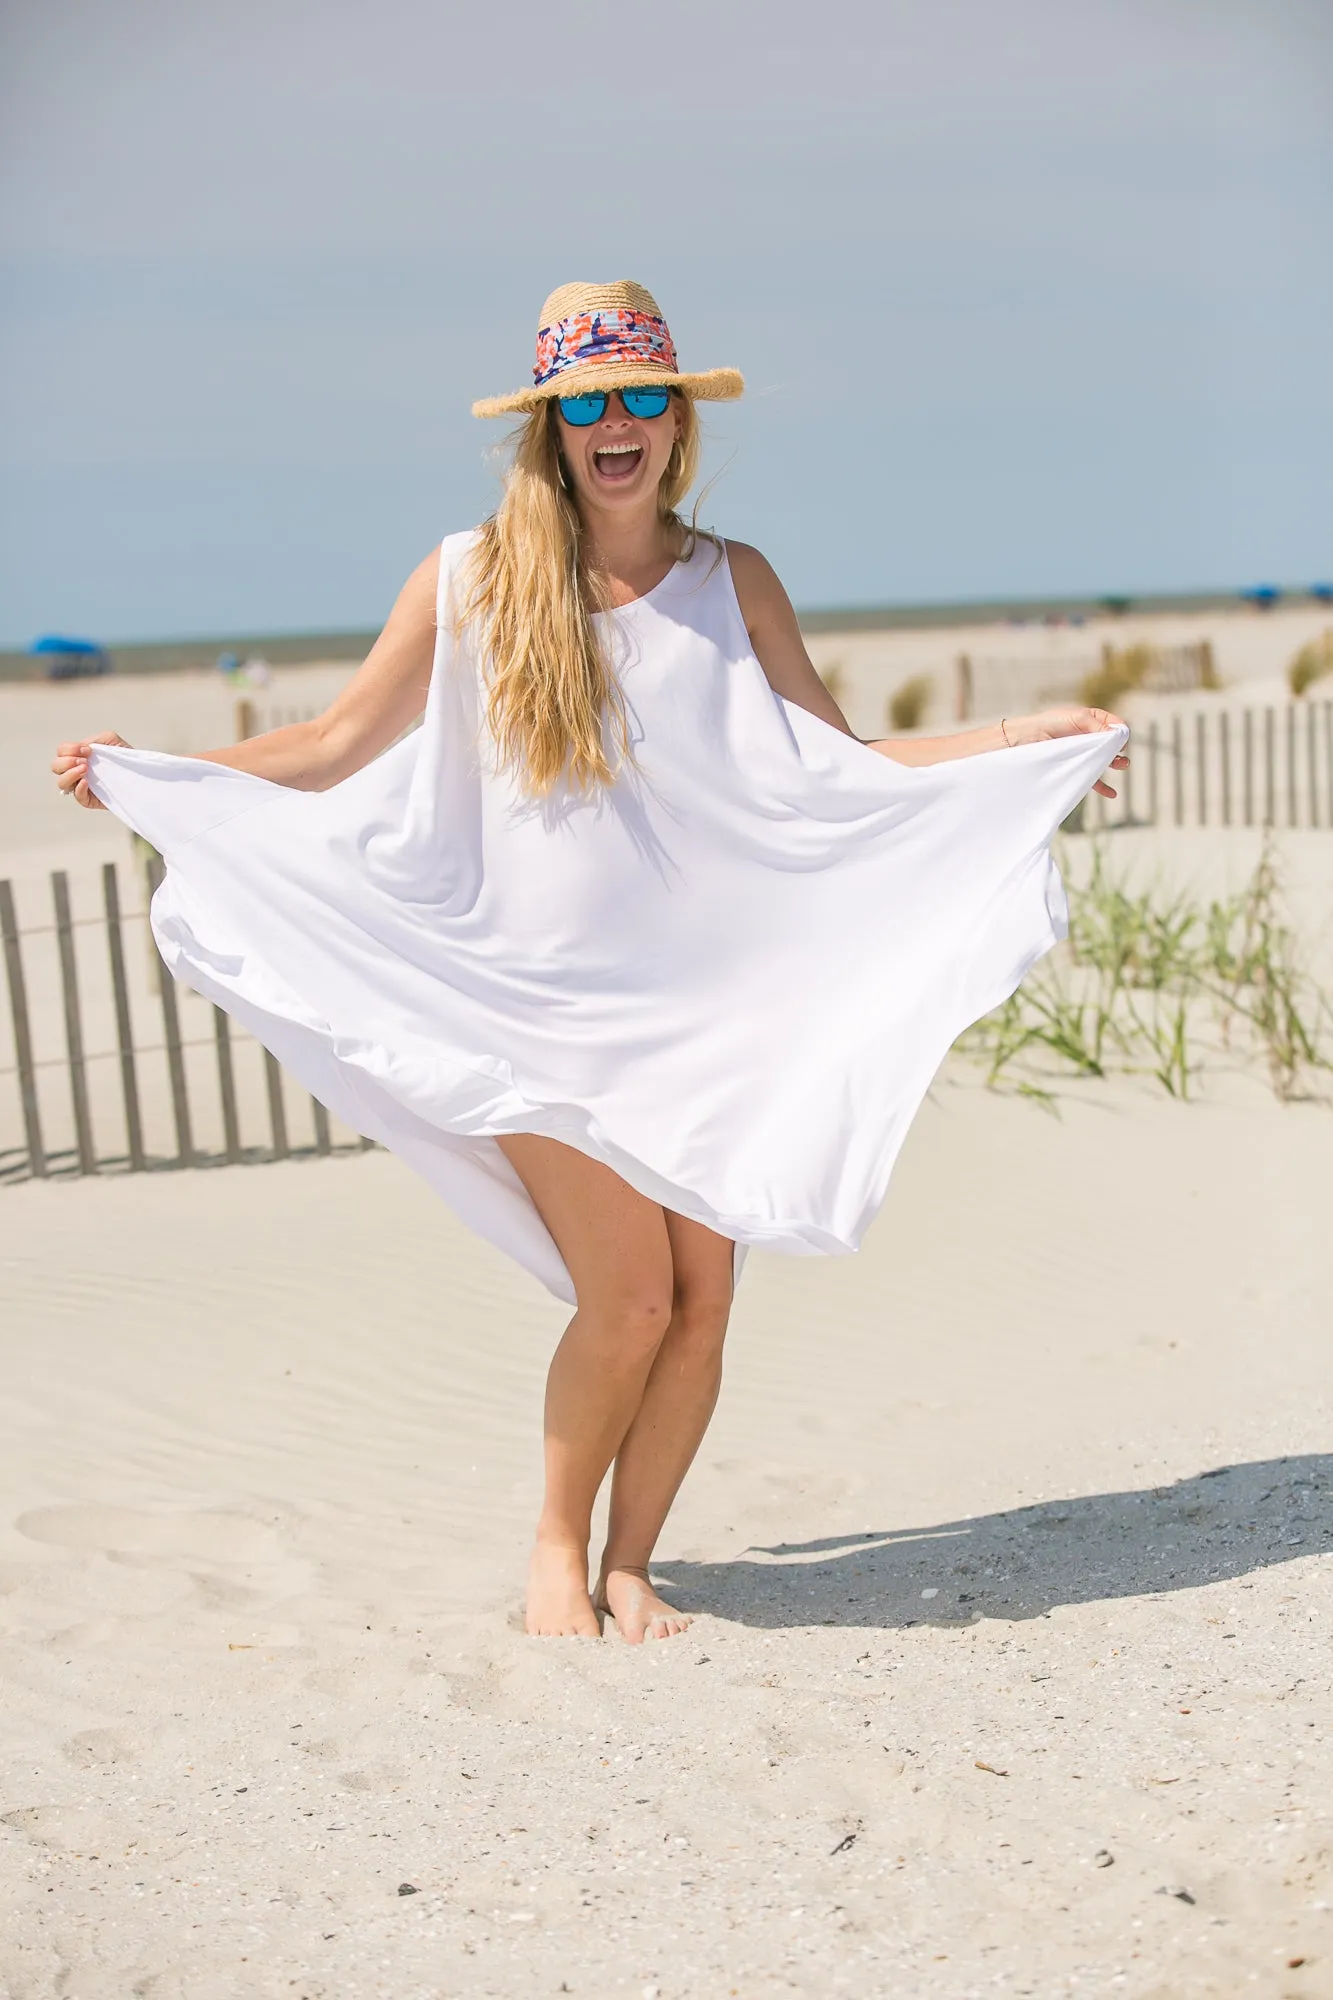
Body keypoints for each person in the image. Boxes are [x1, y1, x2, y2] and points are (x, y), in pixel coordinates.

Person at [52, 279, 1128, 1644]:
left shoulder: (733, 583)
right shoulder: (471, 580)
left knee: (702, 1307)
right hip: (530, 1006)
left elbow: (842, 764)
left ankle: (634, 1564)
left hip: (706, 1016)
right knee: (627, 1303)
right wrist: (160, 774)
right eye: (586, 403)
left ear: (679, 422)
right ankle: (554, 1554)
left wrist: (1021, 743)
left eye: (639, 399)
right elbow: (331, 746)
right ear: (552, 428)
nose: (614, 425)